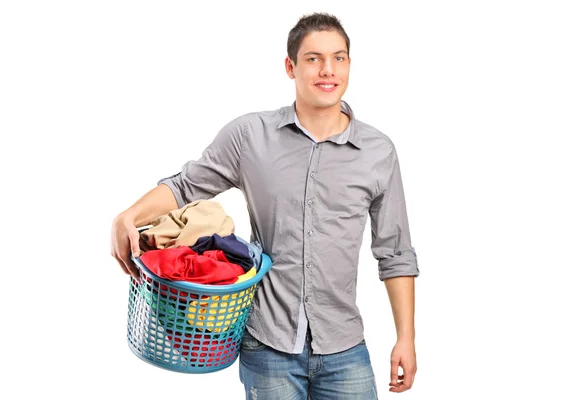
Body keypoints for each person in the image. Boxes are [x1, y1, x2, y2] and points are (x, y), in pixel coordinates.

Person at [111, 12, 419, 399]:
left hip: (345, 348)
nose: (328, 69)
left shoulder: (378, 152)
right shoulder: (249, 137)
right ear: (290, 67)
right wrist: (128, 216)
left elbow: (395, 253)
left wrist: (404, 338)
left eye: (338, 58)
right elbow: (187, 185)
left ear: (349, 65)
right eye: (313, 58)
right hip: (267, 347)